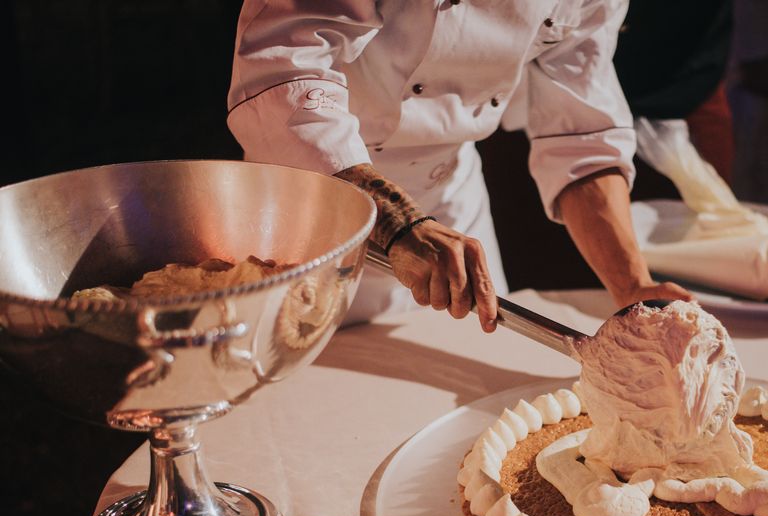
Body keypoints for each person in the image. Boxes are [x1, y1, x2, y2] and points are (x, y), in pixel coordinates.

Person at [227, 1, 691, 333]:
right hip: (319, 183)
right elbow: (283, 72)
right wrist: (399, 224)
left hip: (450, 199)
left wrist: (633, 286)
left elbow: (581, 131)